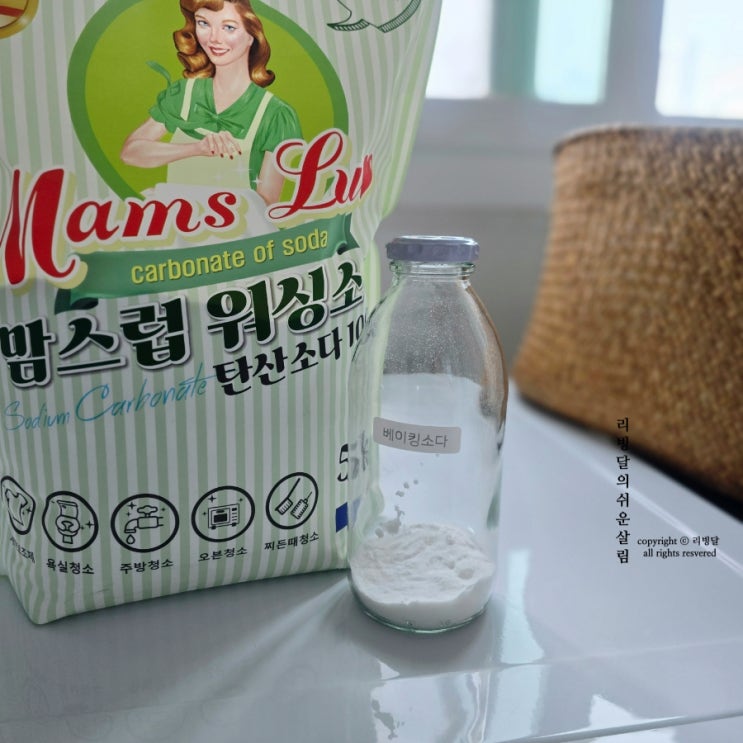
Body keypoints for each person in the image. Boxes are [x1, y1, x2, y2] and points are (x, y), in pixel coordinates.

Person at [121, 0, 301, 207]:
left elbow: (267, 203)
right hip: (175, 222)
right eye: (204, 23)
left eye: (229, 27)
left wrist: (190, 202)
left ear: (251, 36)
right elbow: (130, 152)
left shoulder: (276, 114)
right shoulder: (184, 94)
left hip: (238, 225)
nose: (214, 38)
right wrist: (197, 148)